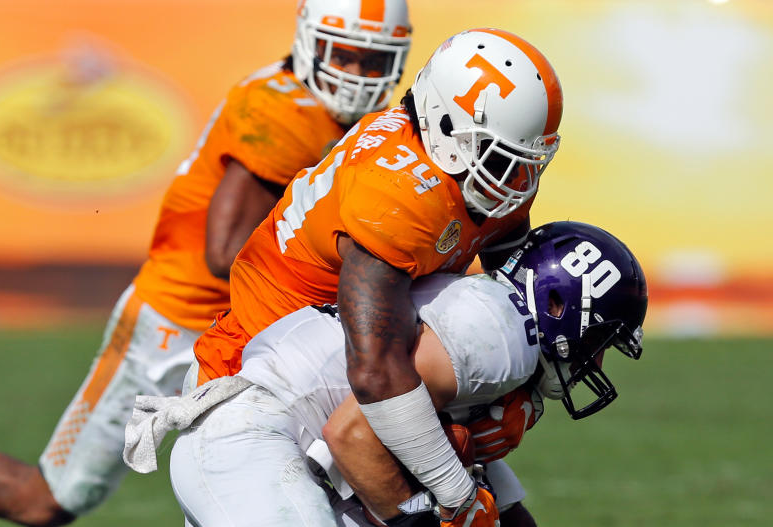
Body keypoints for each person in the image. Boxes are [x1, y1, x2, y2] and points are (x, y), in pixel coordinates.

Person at [0, 2, 411, 526]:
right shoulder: (286, 113)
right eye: (347, 56)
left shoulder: (333, 114)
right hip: (177, 323)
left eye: (374, 61)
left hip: (253, 325)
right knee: (48, 499)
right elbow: (225, 249)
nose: (358, 77)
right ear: (310, 42)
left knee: (309, 459)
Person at [189, 27, 563, 519]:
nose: (514, 180)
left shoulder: (484, 170)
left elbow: (516, 310)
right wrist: (457, 498)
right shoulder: (395, 188)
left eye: (522, 161)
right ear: (444, 126)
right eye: (497, 157)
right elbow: (375, 372)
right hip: (262, 392)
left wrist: (520, 396)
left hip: (353, 385)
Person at [124, 221, 648, 526]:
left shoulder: (498, 345)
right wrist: (440, 516)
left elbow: (492, 504)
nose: (594, 363)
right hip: (251, 442)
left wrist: (462, 504)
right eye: (600, 342)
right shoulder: (500, 337)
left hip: (278, 451)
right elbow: (352, 434)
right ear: (559, 305)